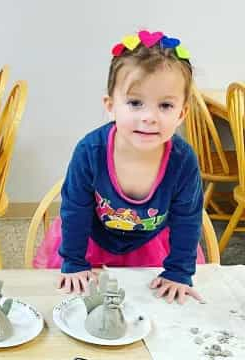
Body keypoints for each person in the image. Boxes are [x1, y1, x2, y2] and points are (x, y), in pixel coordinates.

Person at [36, 30, 204, 304]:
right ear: (111, 106)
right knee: (76, 306)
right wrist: (75, 261)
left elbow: (188, 218)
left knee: (150, 308)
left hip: (151, 247)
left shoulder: (183, 161)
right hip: (91, 242)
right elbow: (75, 209)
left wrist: (179, 271)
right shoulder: (89, 152)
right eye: (135, 103)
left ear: (181, 113)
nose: (149, 117)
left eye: (165, 105)